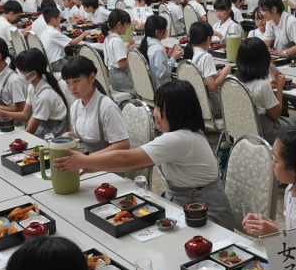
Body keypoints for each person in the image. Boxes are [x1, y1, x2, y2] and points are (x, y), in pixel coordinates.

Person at [55, 81, 234, 229]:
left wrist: (85, 160)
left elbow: (127, 159)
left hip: (205, 213)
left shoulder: (180, 139)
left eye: (159, 108)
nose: (155, 114)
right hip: (184, 203)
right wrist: (91, 164)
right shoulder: (181, 135)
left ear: (176, 112)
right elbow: (139, 162)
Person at [235, 37, 296, 143]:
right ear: (264, 58)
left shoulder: (235, 80)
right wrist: (280, 87)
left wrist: (268, 87)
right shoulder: (262, 85)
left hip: (242, 129)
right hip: (264, 131)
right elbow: (276, 114)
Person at [0, 49, 69, 136]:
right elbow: (25, 115)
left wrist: (10, 138)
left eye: (21, 71)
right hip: (43, 127)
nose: (18, 74)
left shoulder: (45, 96)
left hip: (53, 132)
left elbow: (31, 130)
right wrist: (2, 113)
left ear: (33, 73)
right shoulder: (32, 85)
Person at [61, 57, 130, 154]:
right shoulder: (75, 106)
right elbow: (89, 134)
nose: (72, 88)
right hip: (85, 160)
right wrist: (71, 134)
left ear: (92, 77)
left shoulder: (107, 107)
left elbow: (124, 144)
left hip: (107, 164)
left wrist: (89, 158)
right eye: (68, 82)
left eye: (76, 81)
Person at [184, 21, 231, 117]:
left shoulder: (189, 51)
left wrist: (215, 75)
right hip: (208, 106)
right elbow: (211, 87)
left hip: (194, 103)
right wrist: (225, 72)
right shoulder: (206, 56)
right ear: (208, 38)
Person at [39, 8, 88, 72]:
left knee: (75, 60)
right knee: (82, 64)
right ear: (53, 19)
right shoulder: (54, 32)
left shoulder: (45, 31)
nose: (59, 21)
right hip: (57, 64)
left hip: (49, 63)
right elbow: (73, 42)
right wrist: (85, 33)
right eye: (59, 18)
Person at [140, 15, 181, 88]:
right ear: (157, 32)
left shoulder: (147, 42)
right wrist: (173, 58)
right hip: (161, 89)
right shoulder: (158, 49)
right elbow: (162, 74)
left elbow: (155, 65)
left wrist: (168, 55)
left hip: (151, 87)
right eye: (164, 28)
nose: (167, 30)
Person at [101, 9, 135, 95]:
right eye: (127, 24)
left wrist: (126, 48)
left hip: (112, 76)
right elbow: (122, 65)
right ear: (119, 24)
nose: (128, 27)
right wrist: (131, 54)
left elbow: (114, 55)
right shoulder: (117, 41)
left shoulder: (107, 37)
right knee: (141, 88)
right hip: (121, 78)